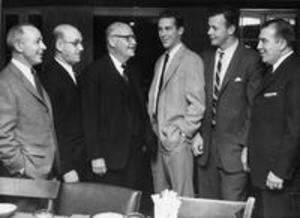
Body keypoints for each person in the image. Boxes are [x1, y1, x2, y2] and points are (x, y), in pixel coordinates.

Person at [196, 7, 263, 201]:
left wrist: (246, 146)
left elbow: (254, 108)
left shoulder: (251, 60)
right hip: (205, 152)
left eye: (214, 28)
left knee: (231, 210)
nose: (209, 32)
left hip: (234, 153)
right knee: (206, 211)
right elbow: (197, 99)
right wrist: (197, 133)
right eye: (209, 27)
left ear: (231, 29)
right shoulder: (204, 58)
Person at [81, 22, 155, 189]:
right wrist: (95, 156)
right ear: (112, 41)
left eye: (134, 38)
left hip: (136, 158)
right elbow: (89, 118)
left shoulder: (133, 71)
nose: (134, 42)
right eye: (128, 38)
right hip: (108, 160)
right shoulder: (93, 73)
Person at [0, 24, 58, 210]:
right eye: (37, 41)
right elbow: (2, 135)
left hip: (44, 175)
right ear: (19, 46)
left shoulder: (32, 75)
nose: (44, 47)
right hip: (25, 181)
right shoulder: (6, 82)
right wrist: (23, 169)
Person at [148, 10, 205, 197]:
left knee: (182, 198)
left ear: (180, 30)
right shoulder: (159, 61)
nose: (163, 33)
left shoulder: (191, 59)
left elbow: (197, 104)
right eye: (160, 29)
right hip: (158, 139)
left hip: (178, 142)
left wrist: (184, 133)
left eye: (168, 29)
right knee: (162, 199)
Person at [248, 18, 300, 218]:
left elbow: (296, 128)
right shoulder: (272, 71)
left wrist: (280, 171)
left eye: (264, 41)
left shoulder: (295, 72)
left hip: (280, 178)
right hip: (264, 174)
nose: (258, 46)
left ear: (282, 43)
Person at [40, 24, 87, 183]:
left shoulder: (71, 73)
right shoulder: (51, 77)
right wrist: (66, 167)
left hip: (78, 159)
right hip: (67, 165)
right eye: (75, 43)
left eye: (81, 43)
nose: (81, 48)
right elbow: (53, 127)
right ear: (59, 45)